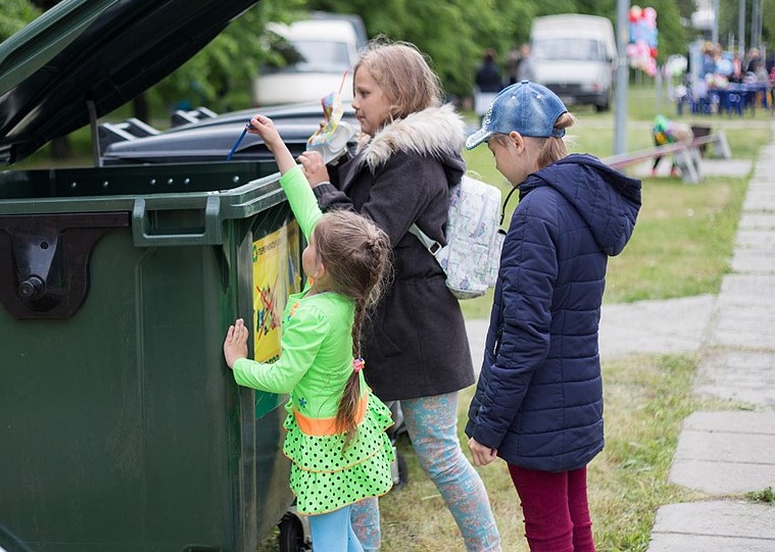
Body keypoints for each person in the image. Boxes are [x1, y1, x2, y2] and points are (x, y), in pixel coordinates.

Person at [298, 38, 502, 551]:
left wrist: (323, 186)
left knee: (437, 453)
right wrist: (330, 154)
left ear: (396, 97)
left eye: (364, 93)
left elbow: (368, 235)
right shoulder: (381, 150)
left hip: (419, 328)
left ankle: (488, 548)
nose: (356, 102)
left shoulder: (416, 159)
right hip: (382, 326)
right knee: (360, 451)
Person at [464, 81, 642, 552]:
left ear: (518, 143)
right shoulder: (580, 199)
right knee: (574, 521)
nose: (496, 163)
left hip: (538, 405)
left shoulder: (536, 213)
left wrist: (487, 424)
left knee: (548, 531)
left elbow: (524, 338)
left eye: (495, 148)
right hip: (576, 394)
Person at [224, 113, 395, 552]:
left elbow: (283, 378)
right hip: (343, 427)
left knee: (330, 540)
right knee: (341, 533)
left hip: (325, 439)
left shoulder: (313, 316)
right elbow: (305, 204)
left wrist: (238, 364)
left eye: (312, 243)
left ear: (318, 266)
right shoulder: (344, 293)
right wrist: (277, 143)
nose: (307, 239)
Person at [474, 49, 505, 116]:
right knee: (491, 114)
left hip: (483, 92)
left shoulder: (480, 69)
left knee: (482, 114)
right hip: (493, 93)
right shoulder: (496, 69)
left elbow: (477, 81)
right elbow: (499, 82)